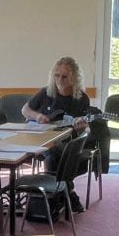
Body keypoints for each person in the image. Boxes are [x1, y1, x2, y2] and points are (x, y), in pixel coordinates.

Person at [22, 56, 94, 211]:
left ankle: (55, 195)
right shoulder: (46, 93)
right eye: (57, 75)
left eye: (64, 77)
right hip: (43, 138)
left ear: (74, 78)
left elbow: (86, 128)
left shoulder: (81, 98)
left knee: (61, 152)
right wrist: (37, 116)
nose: (60, 80)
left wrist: (81, 127)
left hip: (68, 140)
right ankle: (67, 193)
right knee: (54, 151)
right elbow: (25, 110)